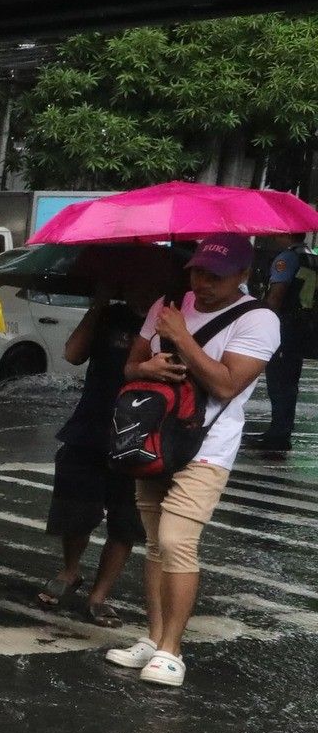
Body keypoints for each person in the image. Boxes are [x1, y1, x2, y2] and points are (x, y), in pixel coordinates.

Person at [105, 235, 279, 687]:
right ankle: (154, 637)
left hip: (208, 446)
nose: (201, 283)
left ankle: (171, 651)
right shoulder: (167, 304)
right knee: (156, 542)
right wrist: (148, 369)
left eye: (215, 277)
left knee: (177, 538)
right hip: (157, 439)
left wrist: (182, 336)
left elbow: (225, 385)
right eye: (198, 272)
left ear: (243, 275)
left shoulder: (259, 319)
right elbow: (130, 367)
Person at [39, 284, 154, 627]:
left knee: (125, 520)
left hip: (140, 431)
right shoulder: (110, 315)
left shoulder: (172, 320)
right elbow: (73, 353)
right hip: (90, 424)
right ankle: (70, 570)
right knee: (75, 506)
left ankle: (99, 595)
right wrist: (99, 304)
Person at [257, 234, 312, 457]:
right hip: (302, 327)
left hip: (284, 326)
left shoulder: (287, 258)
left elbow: (276, 296)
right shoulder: (309, 256)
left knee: (278, 382)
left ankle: (278, 434)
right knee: (290, 381)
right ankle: (281, 429)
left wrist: (264, 321)